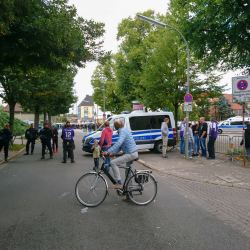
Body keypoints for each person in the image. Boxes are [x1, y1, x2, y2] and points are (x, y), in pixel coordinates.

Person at [102, 121, 138, 193]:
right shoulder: (124, 130)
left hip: (130, 154)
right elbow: (121, 145)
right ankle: (129, 195)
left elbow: (119, 143)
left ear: (116, 126)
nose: (114, 127)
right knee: (128, 175)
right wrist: (113, 153)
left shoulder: (122, 131)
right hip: (132, 153)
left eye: (114, 125)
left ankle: (118, 183)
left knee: (113, 162)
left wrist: (108, 151)